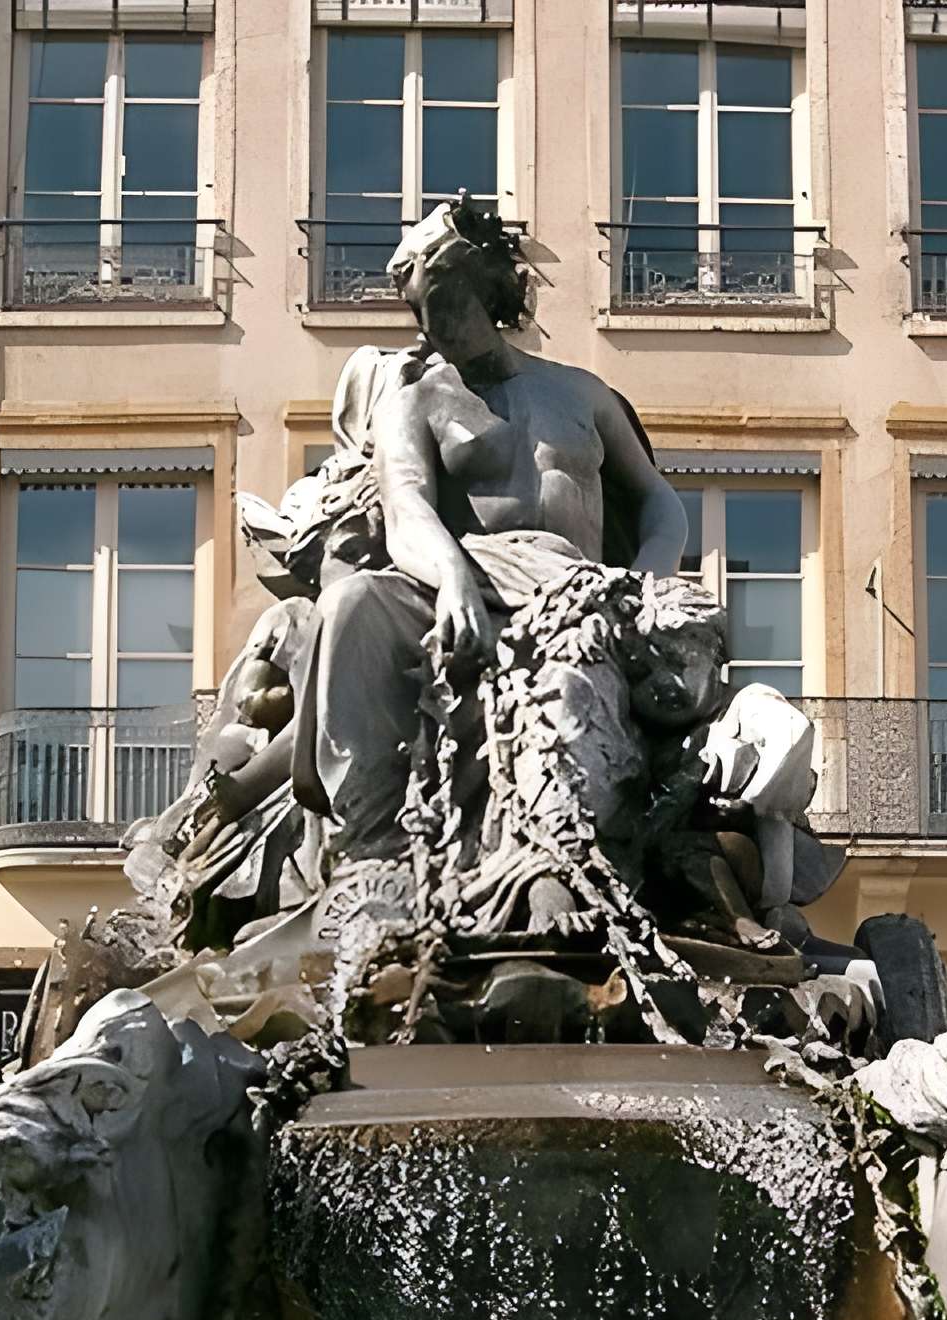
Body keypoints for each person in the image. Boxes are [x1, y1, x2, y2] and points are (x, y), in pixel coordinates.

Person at [292, 203, 690, 874]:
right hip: (468, 578)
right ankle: (369, 844)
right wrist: (450, 579)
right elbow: (407, 507)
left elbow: (658, 501)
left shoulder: (582, 394)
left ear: (485, 290)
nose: (436, 327)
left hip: (578, 589)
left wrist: (642, 588)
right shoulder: (413, 402)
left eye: (447, 304)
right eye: (424, 311)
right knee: (350, 605)